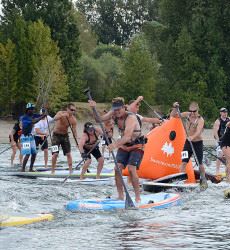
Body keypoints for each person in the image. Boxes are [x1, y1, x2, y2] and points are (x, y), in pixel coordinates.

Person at [89, 97, 147, 203]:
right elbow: (98, 119)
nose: (117, 112)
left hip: (137, 145)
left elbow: (128, 137)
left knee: (130, 169)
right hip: (124, 146)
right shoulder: (114, 112)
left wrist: (114, 145)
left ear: (123, 107)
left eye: (119, 109)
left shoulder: (131, 118)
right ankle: (121, 196)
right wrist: (93, 108)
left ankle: (137, 196)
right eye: (115, 110)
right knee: (117, 169)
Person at [170, 101, 208, 189]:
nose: (192, 113)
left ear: (197, 110)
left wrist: (192, 137)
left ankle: (203, 179)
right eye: (191, 111)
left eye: (194, 111)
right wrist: (175, 108)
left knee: (200, 163)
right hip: (188, 143)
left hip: (197, 143)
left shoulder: (200, 120)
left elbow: (198, 131)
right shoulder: (187, 115)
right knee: (183, 162)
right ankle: (180, 181)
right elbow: (173, 115)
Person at [51, 103, 78, 175]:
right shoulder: (60, 113)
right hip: (56, 136)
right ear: (67, 109)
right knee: (55, 154)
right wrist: (62, 115)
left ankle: (70, 171)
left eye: (74, 110)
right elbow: (54, 118)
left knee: (68, 154)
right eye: (71, 110)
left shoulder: (73, 120)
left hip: (65, 136)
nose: (73, 112)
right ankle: (52, 170)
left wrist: (76, 142)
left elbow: (74, 131)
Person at [20, 103, 46, 172]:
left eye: (33, 109)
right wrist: (41, 117)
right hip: (25, 138)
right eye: (31, 109)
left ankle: (31, 168)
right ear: (27, 110)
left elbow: (41, 116)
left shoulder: (33, 115)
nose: (32, 110)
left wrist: (44, 113)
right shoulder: (24, 117)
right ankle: (22, 169)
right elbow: (34, 121)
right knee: (28, 154)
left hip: (31, 137)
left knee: (34, 153)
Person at [213, 108, 230, 174]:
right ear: (220, 113)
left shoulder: (229, 119)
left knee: (228, 156)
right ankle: (217, 171)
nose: (225, 113)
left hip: (227, 140)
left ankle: (227, 170)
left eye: (226, 112)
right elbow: (215, 132)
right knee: (220, 155)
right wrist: (218, 141)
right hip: (220, 140)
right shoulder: (218, 121)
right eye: (223, 112)